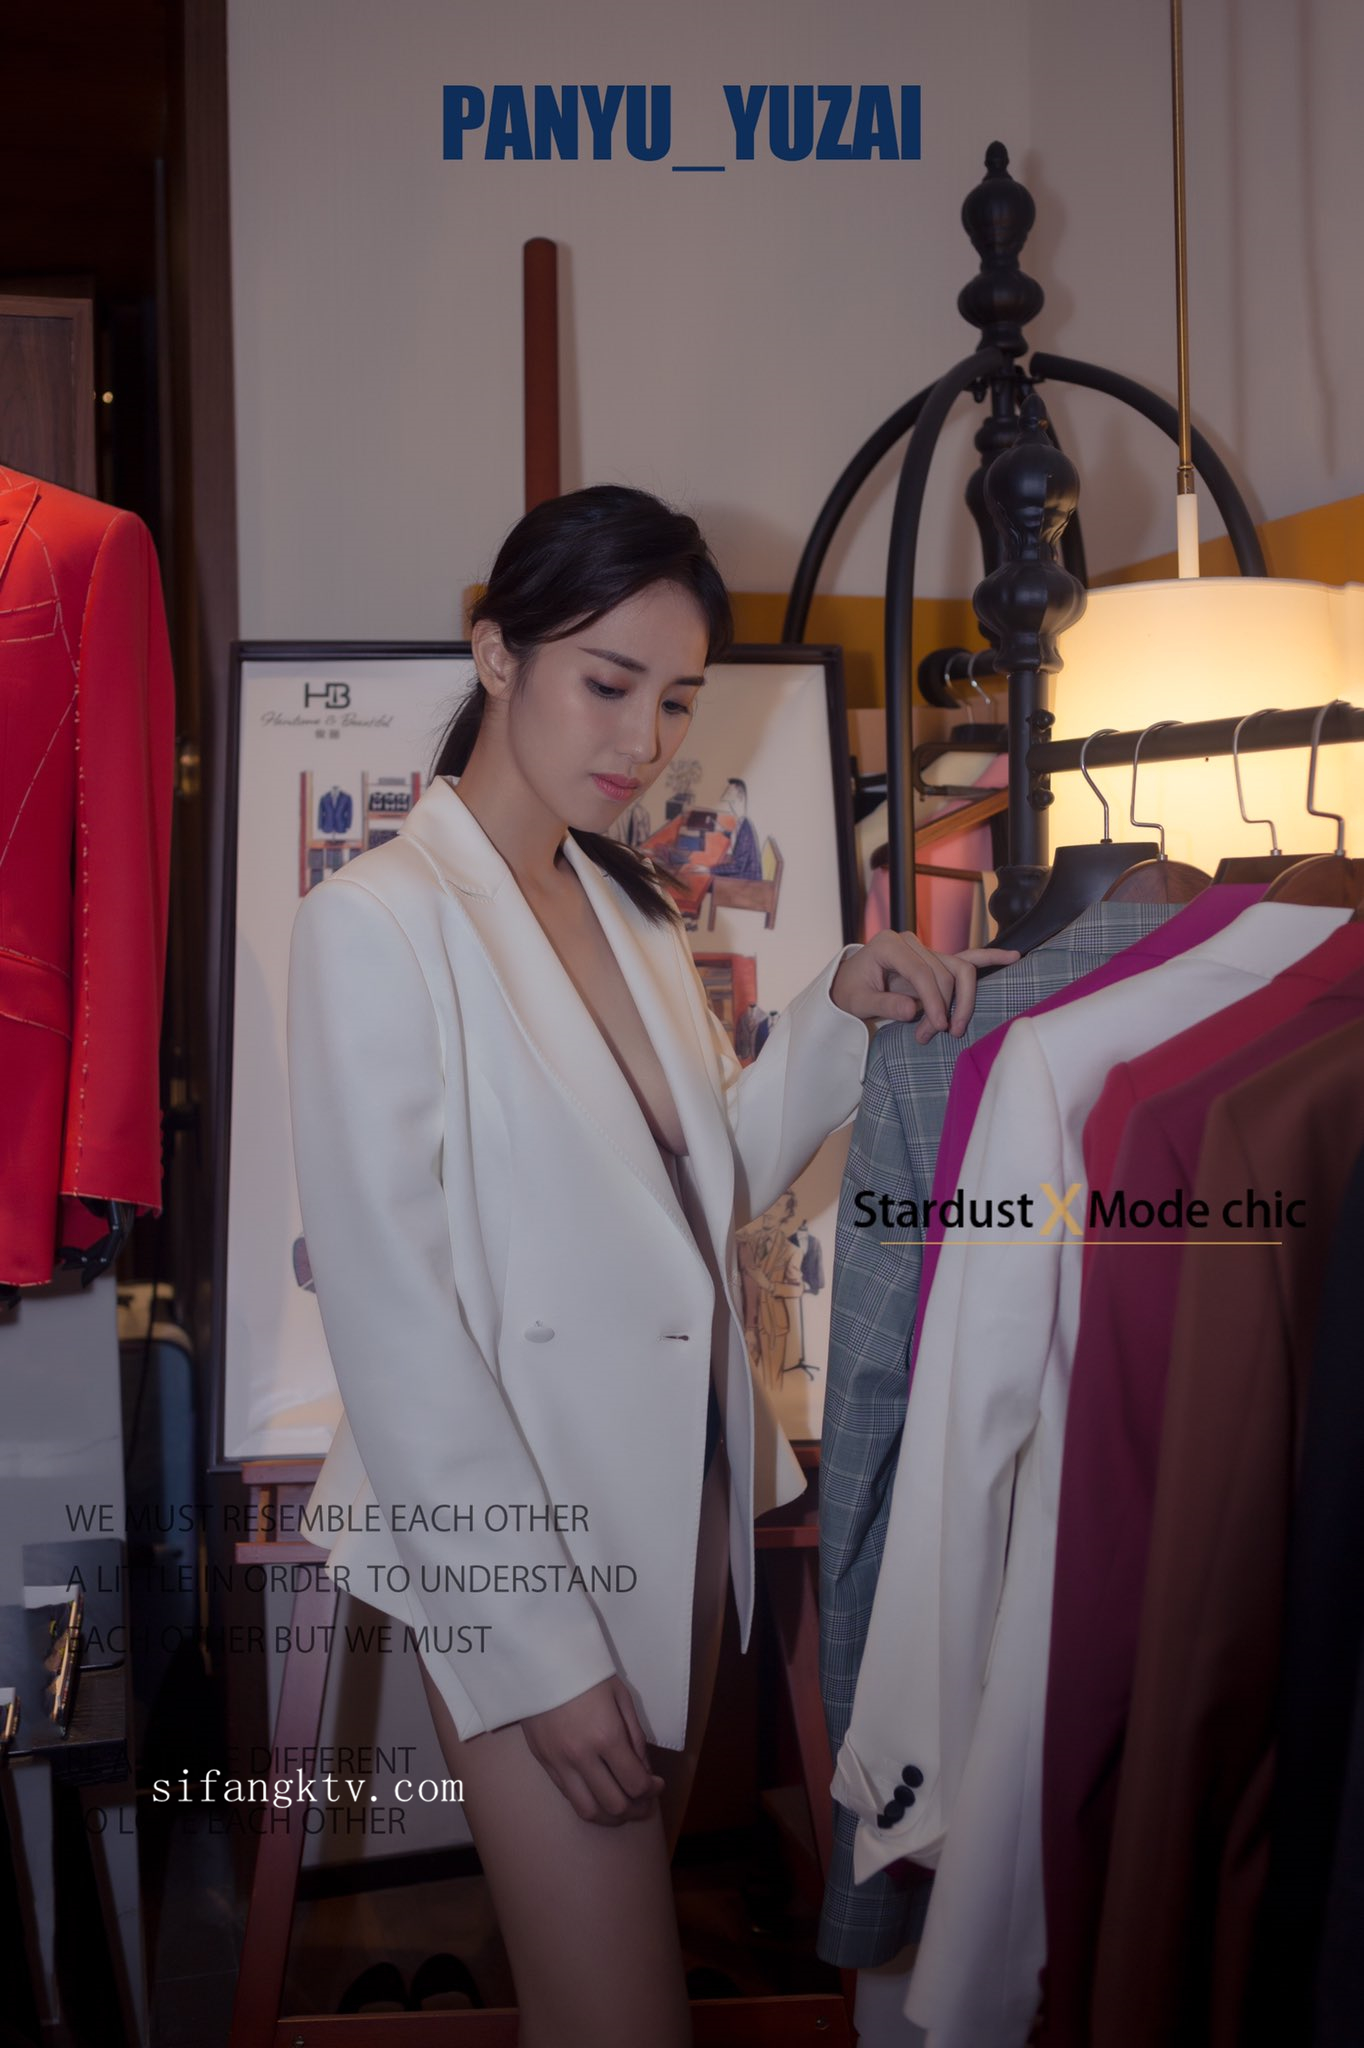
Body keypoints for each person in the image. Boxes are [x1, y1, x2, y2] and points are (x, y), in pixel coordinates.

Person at [286, 484, 1014, 2047]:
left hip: (683, 1502)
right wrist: (541, 1657)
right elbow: (398, 1329)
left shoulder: (620, 906)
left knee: (599, 2002)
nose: (644, 738)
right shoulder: (378, 922)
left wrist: (838, 1007)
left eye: (676, 699)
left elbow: (698, 1186)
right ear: (497, 651)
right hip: (527, 1535)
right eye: (608, 682)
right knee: (624, 2018)